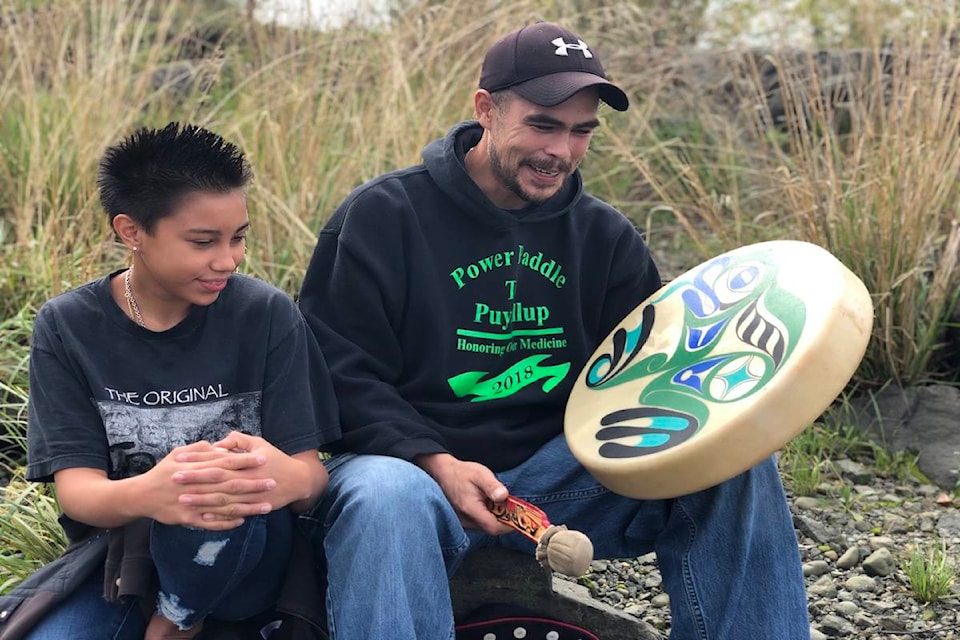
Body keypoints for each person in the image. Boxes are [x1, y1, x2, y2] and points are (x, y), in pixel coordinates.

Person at [297, 21, 809, 639]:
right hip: (414, 481)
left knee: (733, 458)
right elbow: (337, 371)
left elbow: (650, 375)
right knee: (382, 493)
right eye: (543, 124)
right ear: (486, 108)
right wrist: (435, 463)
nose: (560, 152)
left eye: (581, 131)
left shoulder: (606, 238)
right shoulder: (382, 217)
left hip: (554, 485)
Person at [25, 122, 340, 640]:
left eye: (238, 237)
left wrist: (271, 476)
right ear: (131, 232)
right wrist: (154, 491)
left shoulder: (266, 314)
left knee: (220, 481)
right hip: (126, 565)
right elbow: (78, 493)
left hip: (252, 561)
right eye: (202, 242)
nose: (228, 259)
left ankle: (177, 621)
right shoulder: (68, 326)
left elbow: (310, 480)